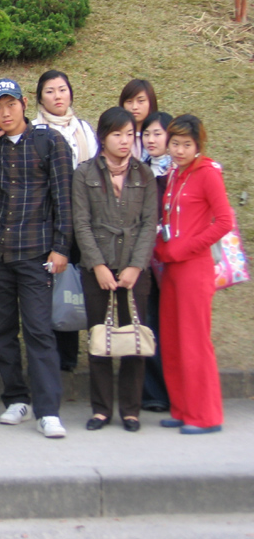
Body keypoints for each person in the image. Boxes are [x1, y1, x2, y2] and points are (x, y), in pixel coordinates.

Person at [0, 78, 74, 439]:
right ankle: (15, 398)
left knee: (39, 330)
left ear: (25, 104)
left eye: (11, 104)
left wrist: (61, 247)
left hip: (36, 252)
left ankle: (48, 410)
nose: (5, 112)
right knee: (0, 329)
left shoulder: (49, 142)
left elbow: (64, 198)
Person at [72, 107, 158, 432]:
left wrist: (136, 266)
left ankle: (131, 410)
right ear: (103, 137)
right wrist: (98, 266)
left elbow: (149, 224)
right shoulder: (84, 173)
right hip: (98, 269)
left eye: (129, 135)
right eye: (117, 134)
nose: (124, 141)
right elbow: (81, 223)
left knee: (133, 337)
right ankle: (101, 409)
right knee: (101, 337)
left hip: (134, 270)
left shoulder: (144, 174)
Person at [153, 115, 233, 435]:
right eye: (175, 143)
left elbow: (224, 222)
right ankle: (182, 408)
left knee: (194, 342)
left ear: (198, 146)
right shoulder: (174, 173)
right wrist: (164, 248)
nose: (180, 150)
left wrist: (185, 248)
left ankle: (205, 416)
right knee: (172, 339)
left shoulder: (208, 173)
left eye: (187, 144)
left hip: (194, 268)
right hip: (172, 267)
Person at [32, 69, 98, 373]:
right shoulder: (35, 131)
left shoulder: (84, 129)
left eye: (62, 89)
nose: (57, 96)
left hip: (83, 218)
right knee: (51, 285)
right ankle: (52, 354)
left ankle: (74, 353)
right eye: (50, 91)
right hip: (47, 220)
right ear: (39, 98)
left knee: (75, 282)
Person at [140, 111, 174, 412]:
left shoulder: (180, 171)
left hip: (176, 260)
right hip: (147, 260)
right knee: (149, 323)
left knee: (175, 326)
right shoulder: (140, 169)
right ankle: (154, 393)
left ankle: (179, 392)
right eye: (146, 134)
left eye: (157, 134)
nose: (151, 139)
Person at [118, 79, 158, 161]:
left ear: (151, 103)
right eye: (129, 101)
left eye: (141, 101)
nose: (134, 107)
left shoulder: (161, 134)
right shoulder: (115, 135)